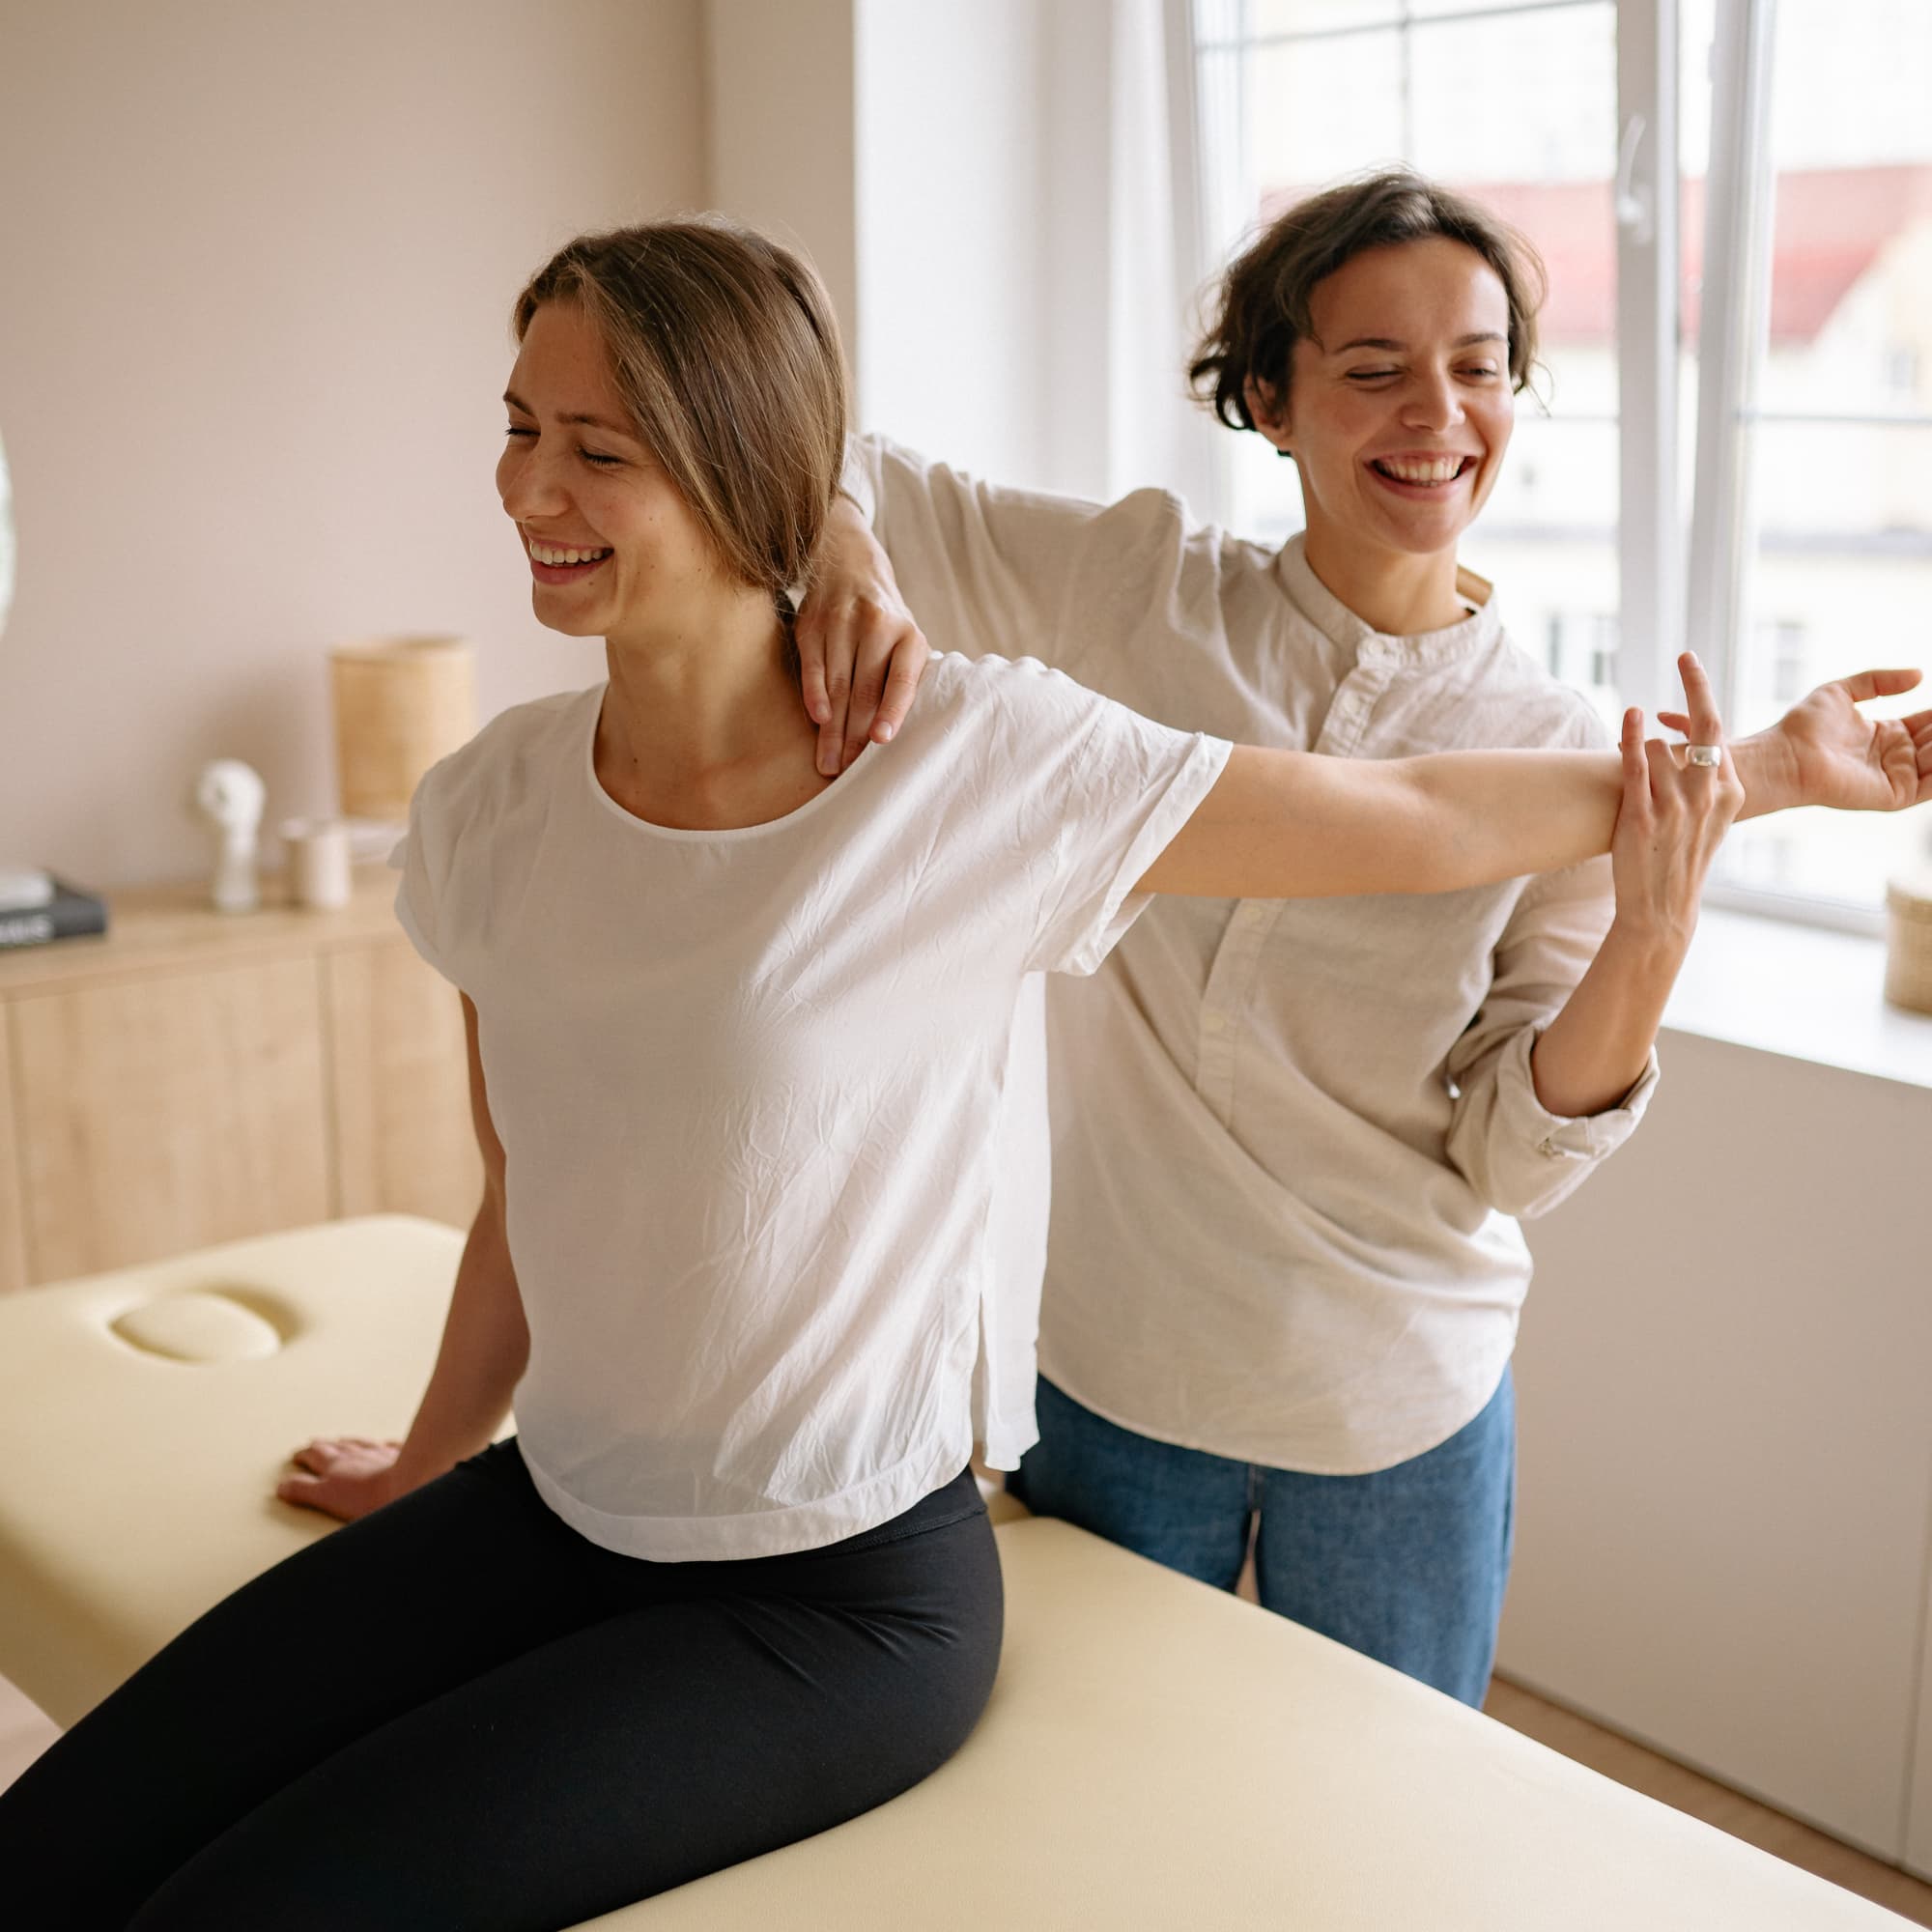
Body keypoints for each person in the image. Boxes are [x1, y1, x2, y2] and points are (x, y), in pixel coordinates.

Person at [0, 213, 1844, 1930]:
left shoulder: (964, 768)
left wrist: (1756, 770)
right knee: (57, 1847)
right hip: (560, 1503)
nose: (524, 492)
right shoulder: (487, 809)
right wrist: (429, 1454)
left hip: (840, 1589)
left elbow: (1419, 809)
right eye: (517, 429)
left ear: (736, 472)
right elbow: (524, 1187)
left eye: (597, 450)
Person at [793, 169, 1932, 1705]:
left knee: (1384, 1860)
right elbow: (833, 461)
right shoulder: (1136, 595)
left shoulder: (1570, 747)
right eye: (1375, 368)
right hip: (1127, 1375)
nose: (1435, 414)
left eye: (1477, 366)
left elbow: (1508, 1163)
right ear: (1270, 395)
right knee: (1114, 1810)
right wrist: (855, 560)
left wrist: (1650, 941)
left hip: (1397, 1406)